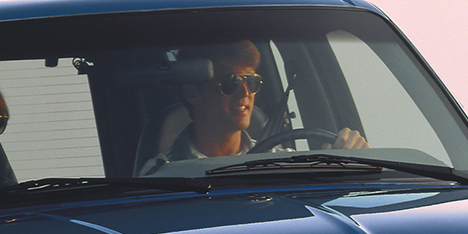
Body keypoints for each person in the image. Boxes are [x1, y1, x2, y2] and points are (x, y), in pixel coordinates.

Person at [146, 40, 366, 170]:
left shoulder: (283, 162)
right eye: (230, 83)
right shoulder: (163, 172)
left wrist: (347, 161)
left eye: (251, 82)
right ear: (192, 92)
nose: (245, 93)